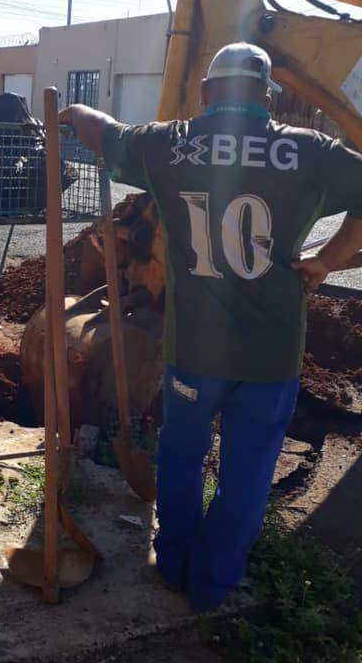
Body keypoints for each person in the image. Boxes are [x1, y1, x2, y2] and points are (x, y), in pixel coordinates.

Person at [61, 42, 362, 611]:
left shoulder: (169, 145)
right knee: (247, 472)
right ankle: (213, 584)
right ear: (268, 98)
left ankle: (172, 563)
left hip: (194, 349)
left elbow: (107, 133)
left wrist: (74, 114)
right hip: (271, 354)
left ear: (204, 95)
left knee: (180, 454)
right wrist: (328, 260)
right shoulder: (311, 152)